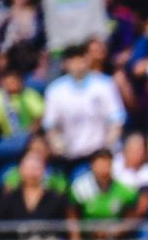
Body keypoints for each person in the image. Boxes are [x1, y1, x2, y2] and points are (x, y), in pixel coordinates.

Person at [42, 41, 124, 174]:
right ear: (65, 64)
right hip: (70, 156)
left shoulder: (105, 85)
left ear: (87, 60)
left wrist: (106, 148)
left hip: (100, 153)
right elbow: (50, 126)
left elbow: (116, 120)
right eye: (73, 61)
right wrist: (59, 147)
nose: (77, 65)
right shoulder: (55, 90)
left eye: (81, 59)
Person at [68, 146, 141, 240]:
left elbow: (130, 219)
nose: (103, 170)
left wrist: (114, 232)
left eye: (107, 165)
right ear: (92, 165)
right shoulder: (80, 188)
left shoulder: (125, 190)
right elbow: (73, 216)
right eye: (100, 165)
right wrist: (76, 239)